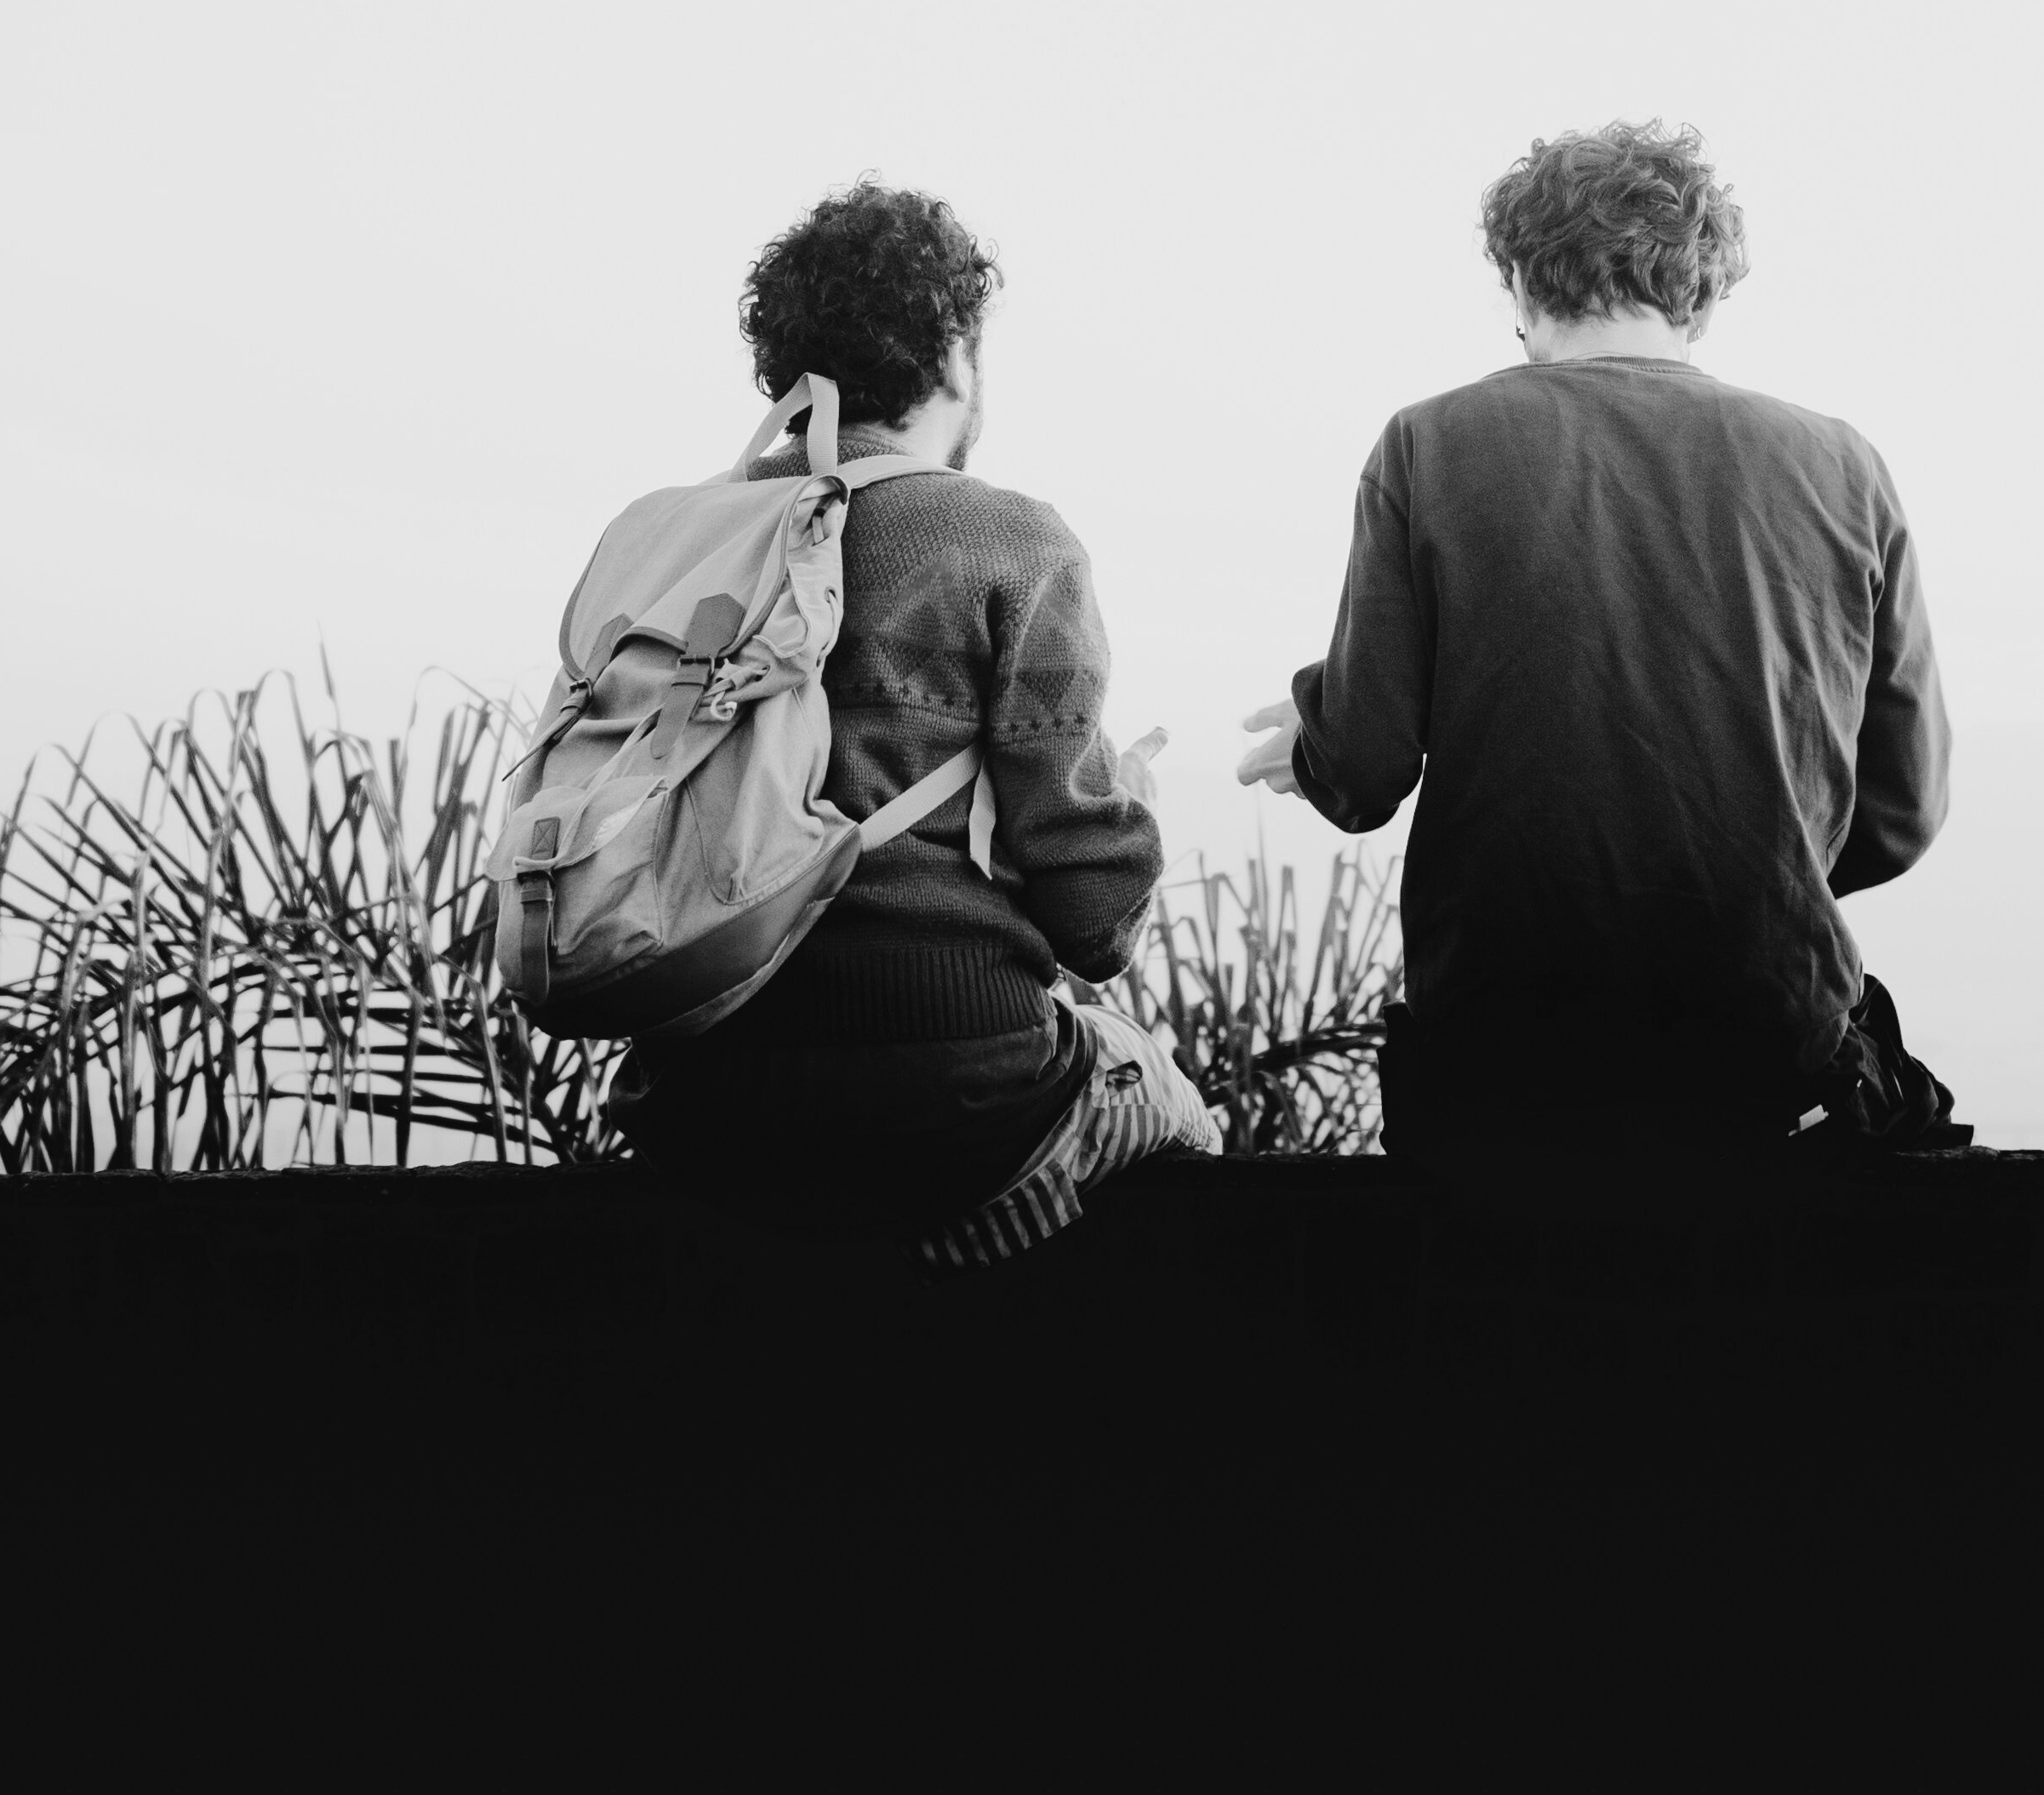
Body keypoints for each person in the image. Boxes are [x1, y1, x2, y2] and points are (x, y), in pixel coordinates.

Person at [1238, 117, 1958, 1201]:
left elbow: (1367, 769)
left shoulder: (1428, 443)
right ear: (1703, 296)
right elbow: (1901, 813)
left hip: (1499, 1083)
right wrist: (1741, 860)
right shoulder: (1842, 466)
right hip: (1761, 1073)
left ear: (1520, 279)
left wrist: (1314, 742)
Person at [618, 180, 1219, 1259]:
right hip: (956, 1085)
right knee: (1173, 1107)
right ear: (952, 356)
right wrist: (1121, 797)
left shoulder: (672, 539)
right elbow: (1093, 923)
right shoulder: (1011, 540)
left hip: (697, 1105)